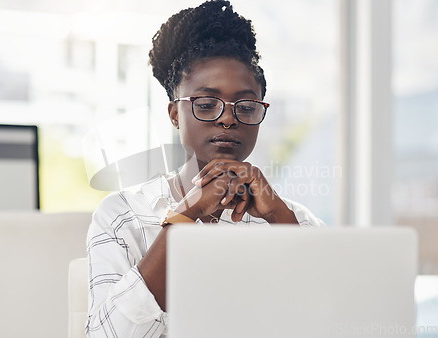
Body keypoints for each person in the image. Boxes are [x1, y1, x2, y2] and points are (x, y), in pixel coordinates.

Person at [86, 1, 324, 337]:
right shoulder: (125, 215)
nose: (228, 118)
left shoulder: (296, 221)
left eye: (246, 105)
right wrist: (185, 216)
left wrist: (282, 222)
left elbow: (335, 321)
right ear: (174, 114)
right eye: (207, 104)